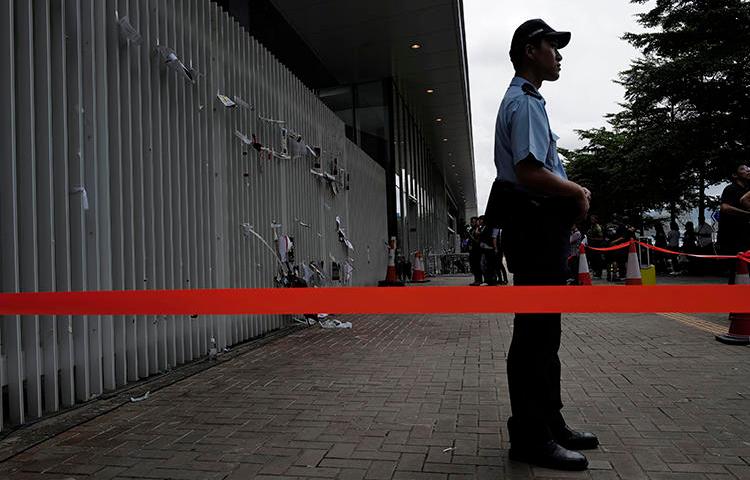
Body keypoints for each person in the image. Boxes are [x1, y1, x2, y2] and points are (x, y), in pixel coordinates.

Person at [483, 19, 596, 471]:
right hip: (533, 226)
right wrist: (577, 192)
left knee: (545, 331)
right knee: (535, 333)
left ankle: (549, 422)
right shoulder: (525, 103)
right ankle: (531, 435)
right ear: (530, 50)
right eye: (553, 45)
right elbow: (530, 172)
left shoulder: (527, 100)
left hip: (536, 228)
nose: (559, 53)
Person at [718, 164, 750, 283]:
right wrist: (746, 214)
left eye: (748, 169)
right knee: (735, 269)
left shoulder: (746, 190)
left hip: (745, 234)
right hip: (732, 236)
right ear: (735, 175)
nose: (747, 170)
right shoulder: (731, 189)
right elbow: (725, 207)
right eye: (743, 169)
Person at [478, 215, 498, 285]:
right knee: (484, 265)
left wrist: (495, 248)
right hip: (484, 249)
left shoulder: (490, 227)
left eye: (481, 220)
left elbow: (493, 238)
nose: (479, 221)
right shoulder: (483, 228)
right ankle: (488, 280)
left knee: (490, 266)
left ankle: (491, 281)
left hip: (489, 249)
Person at [467, 217, 483, 285]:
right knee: (473, 266)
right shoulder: (471, 230)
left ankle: (479, 280)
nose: (472, 223)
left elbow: (478, 241)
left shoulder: (479, 229)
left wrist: (471, 237)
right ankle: (476, 280)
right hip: (472, 250)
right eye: (471, 222)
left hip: (477, 250)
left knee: (477, 266)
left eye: (474, 222)